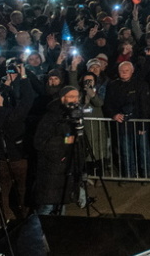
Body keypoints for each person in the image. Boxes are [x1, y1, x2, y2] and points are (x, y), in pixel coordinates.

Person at [33, 86, 84, 215]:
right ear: (62, 98)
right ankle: (36, 228)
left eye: (77, 97)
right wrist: (66, 142)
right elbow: (39, 142)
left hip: (68, 167)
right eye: (71, 96)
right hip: (52, 169)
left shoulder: (75, 116)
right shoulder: (51, 117)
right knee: (47, 207)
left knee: (62, 204)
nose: (75, 100)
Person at [104, 61, 150, 179]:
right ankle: (129, 174)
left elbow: (145, 106)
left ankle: (147, 174)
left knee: (143, 149)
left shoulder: (141, 84)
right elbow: (107, 104)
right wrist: (114, 115)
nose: (124, 72)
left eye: (127, 70)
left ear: (132, 71)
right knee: (125, 151)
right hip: (122, 124)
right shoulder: (112, 85)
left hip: (139, 123)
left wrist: (143, 125)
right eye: (122, 70)